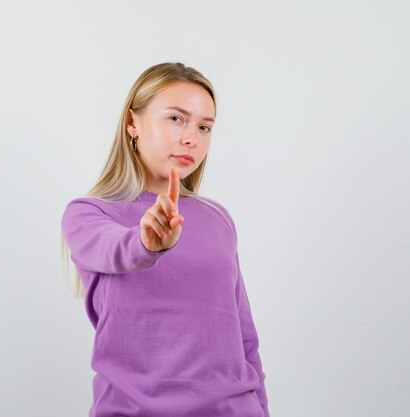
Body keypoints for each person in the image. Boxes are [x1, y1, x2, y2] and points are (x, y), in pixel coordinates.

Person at [60, 62, 270, 417]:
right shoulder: (87, 214)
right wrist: (147, 242)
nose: (192, 137)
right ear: (132, 123)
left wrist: (262, 408)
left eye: (205, 127)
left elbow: (244, 336)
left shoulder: (217, 218)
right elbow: (116, 248)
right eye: (176, 118)